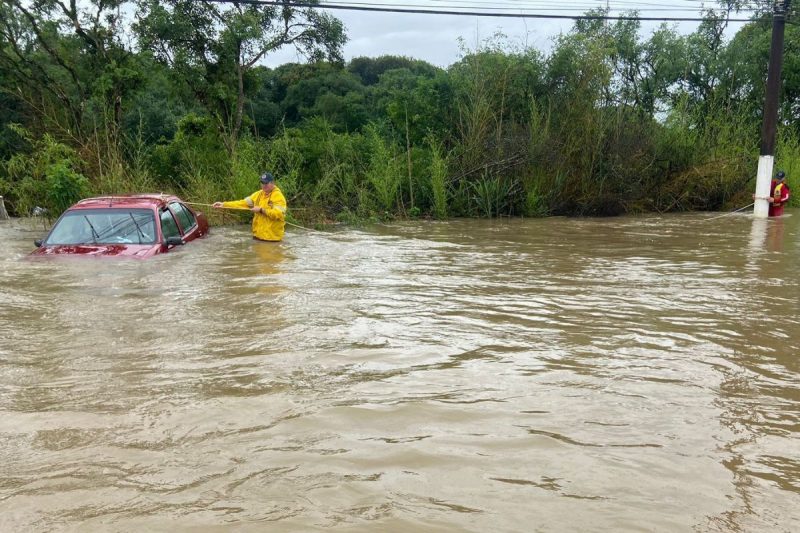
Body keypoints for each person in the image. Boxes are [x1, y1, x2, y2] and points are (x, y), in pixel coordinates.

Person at [213, 172, 287, 241]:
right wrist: (224, 204)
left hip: (272, 240)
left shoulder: (278, 196)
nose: (263, 185)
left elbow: (279, 214)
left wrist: (261, 210)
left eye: (266, 183)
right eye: (262, 183)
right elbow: (242, 203)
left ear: (272, 183)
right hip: (257, 237)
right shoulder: (258, 194)